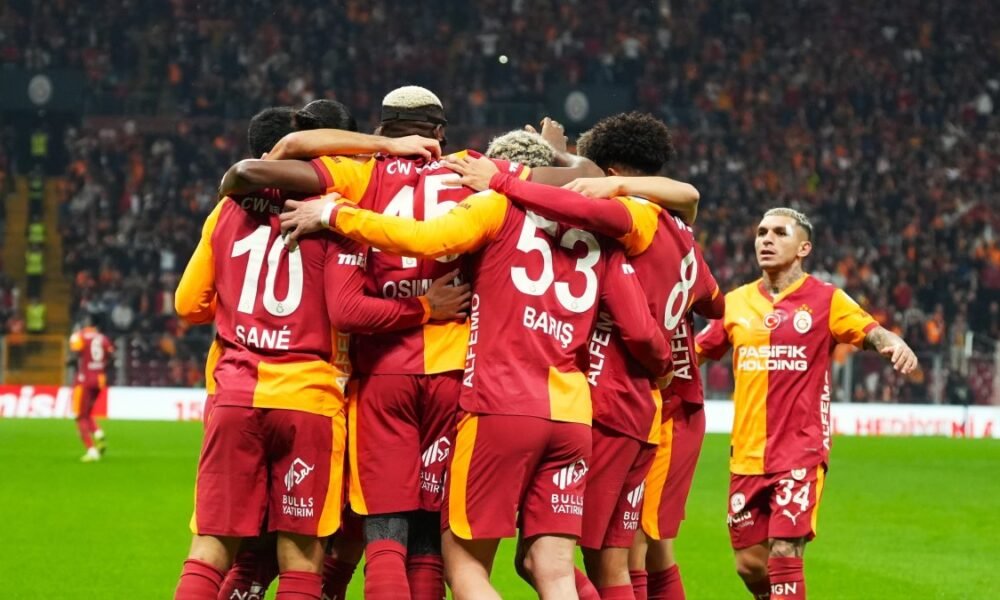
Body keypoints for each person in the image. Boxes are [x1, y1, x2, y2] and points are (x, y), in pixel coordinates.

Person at [221, 88, 600, 600]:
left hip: (383, 374)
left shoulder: (360, 173)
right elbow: (589, 177)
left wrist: (377, 150)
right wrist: (551, 151)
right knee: (429, 542)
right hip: (455, 377)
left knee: (384, 540)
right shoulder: (472, 168)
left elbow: (262, 166)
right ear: (440, 131)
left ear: (381, 130)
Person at [279, 149, 674, 600]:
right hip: (571, 416)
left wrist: (335, 213)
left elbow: (423, 237)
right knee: (555, 571)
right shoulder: (603, 233)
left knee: (463, 566)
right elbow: (638, 323)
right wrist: (666, 368)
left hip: (498, 407)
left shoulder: (496, 207)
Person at [172, 102, 468, 600]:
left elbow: (189, 304)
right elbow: (348, 310)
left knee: (220, 548)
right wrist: (423, 306)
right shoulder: (334, 214)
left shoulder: (226, 211)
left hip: (236, 390)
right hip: (315, 395)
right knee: (312, 551)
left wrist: (246, 316)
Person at [444, 111, 712, 600]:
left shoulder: (632, 216)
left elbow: (578, 204)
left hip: (606, 399)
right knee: (622, 557)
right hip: (648, 405)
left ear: (608, 174)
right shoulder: (681, 229)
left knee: (567, 561)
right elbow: (714, 299)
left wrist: (505, 176)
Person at [696, 208, 918, 600]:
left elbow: (871, 330)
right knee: (749, 564)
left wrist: (893, 342)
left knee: (785, 551)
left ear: (804, 248)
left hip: (800, 450)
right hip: (746, 454)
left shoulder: (826, 300)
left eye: (779, 233)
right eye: (761, 232)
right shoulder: (736, 303)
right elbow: (693, 352)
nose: (766, 239)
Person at [69, 316, 114, 462]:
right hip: (99, 379)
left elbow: (74, 355)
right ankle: (99, 434)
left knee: (80, 416)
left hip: (84, 380)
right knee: (87, 413)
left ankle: (91, 450)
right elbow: (111, 356)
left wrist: (71, 363)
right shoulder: (103, 338)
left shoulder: (79, 336)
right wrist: (101, 367)